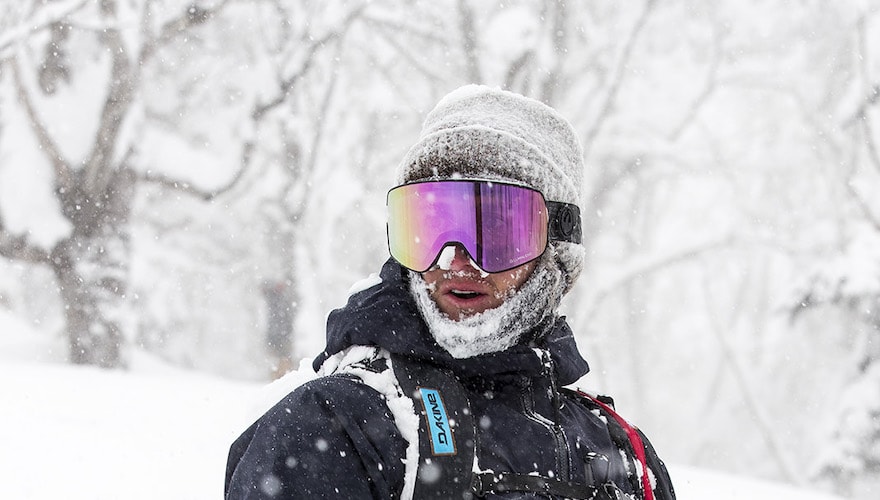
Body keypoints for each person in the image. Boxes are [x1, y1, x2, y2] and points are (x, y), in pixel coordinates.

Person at [225, 85, 676, 499]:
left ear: (554, 251)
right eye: (430, 228)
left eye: (496, 233)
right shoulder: (338, 424)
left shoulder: (625, 459)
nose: (453, 261)